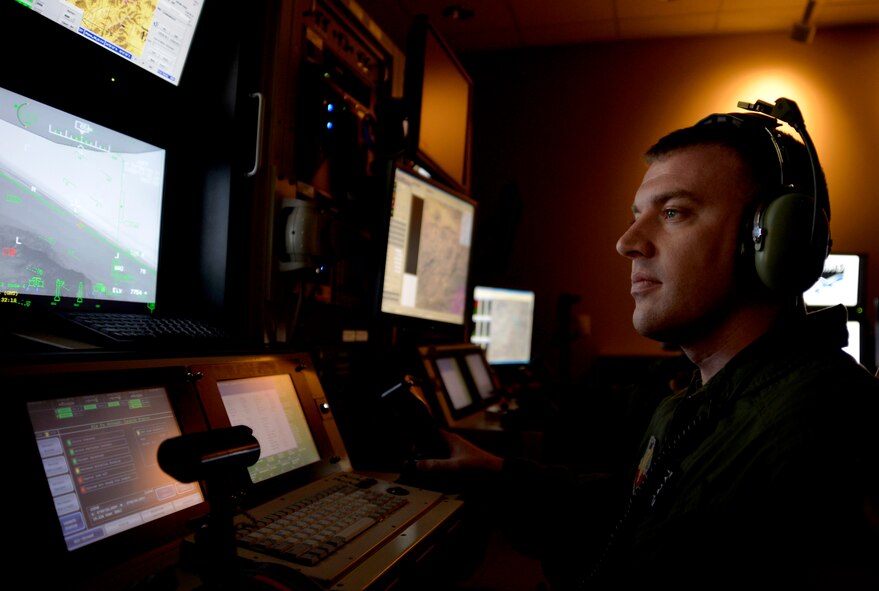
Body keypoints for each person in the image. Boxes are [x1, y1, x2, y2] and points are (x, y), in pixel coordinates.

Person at [415, 98, 879, 590]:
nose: (628, 241)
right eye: (637, 214)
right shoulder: (701, 401)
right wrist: (499, 476)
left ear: (773, 242)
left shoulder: (832, 431)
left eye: (674, 212)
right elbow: (633, 519)